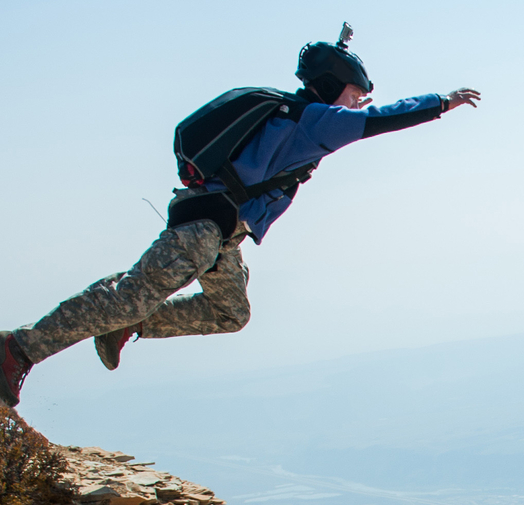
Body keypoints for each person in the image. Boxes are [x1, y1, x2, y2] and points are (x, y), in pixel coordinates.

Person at [1, 28, 480, 409]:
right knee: (129, 296)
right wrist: (441, 101)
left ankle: (131, 323)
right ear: (336, 85)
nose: (360, 100)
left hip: (221, 237)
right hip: (204, 227)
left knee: (230, 313)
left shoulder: (293, 116)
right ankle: (17, 349)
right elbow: (382, 119)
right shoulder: (314, 119)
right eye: (356, 91)